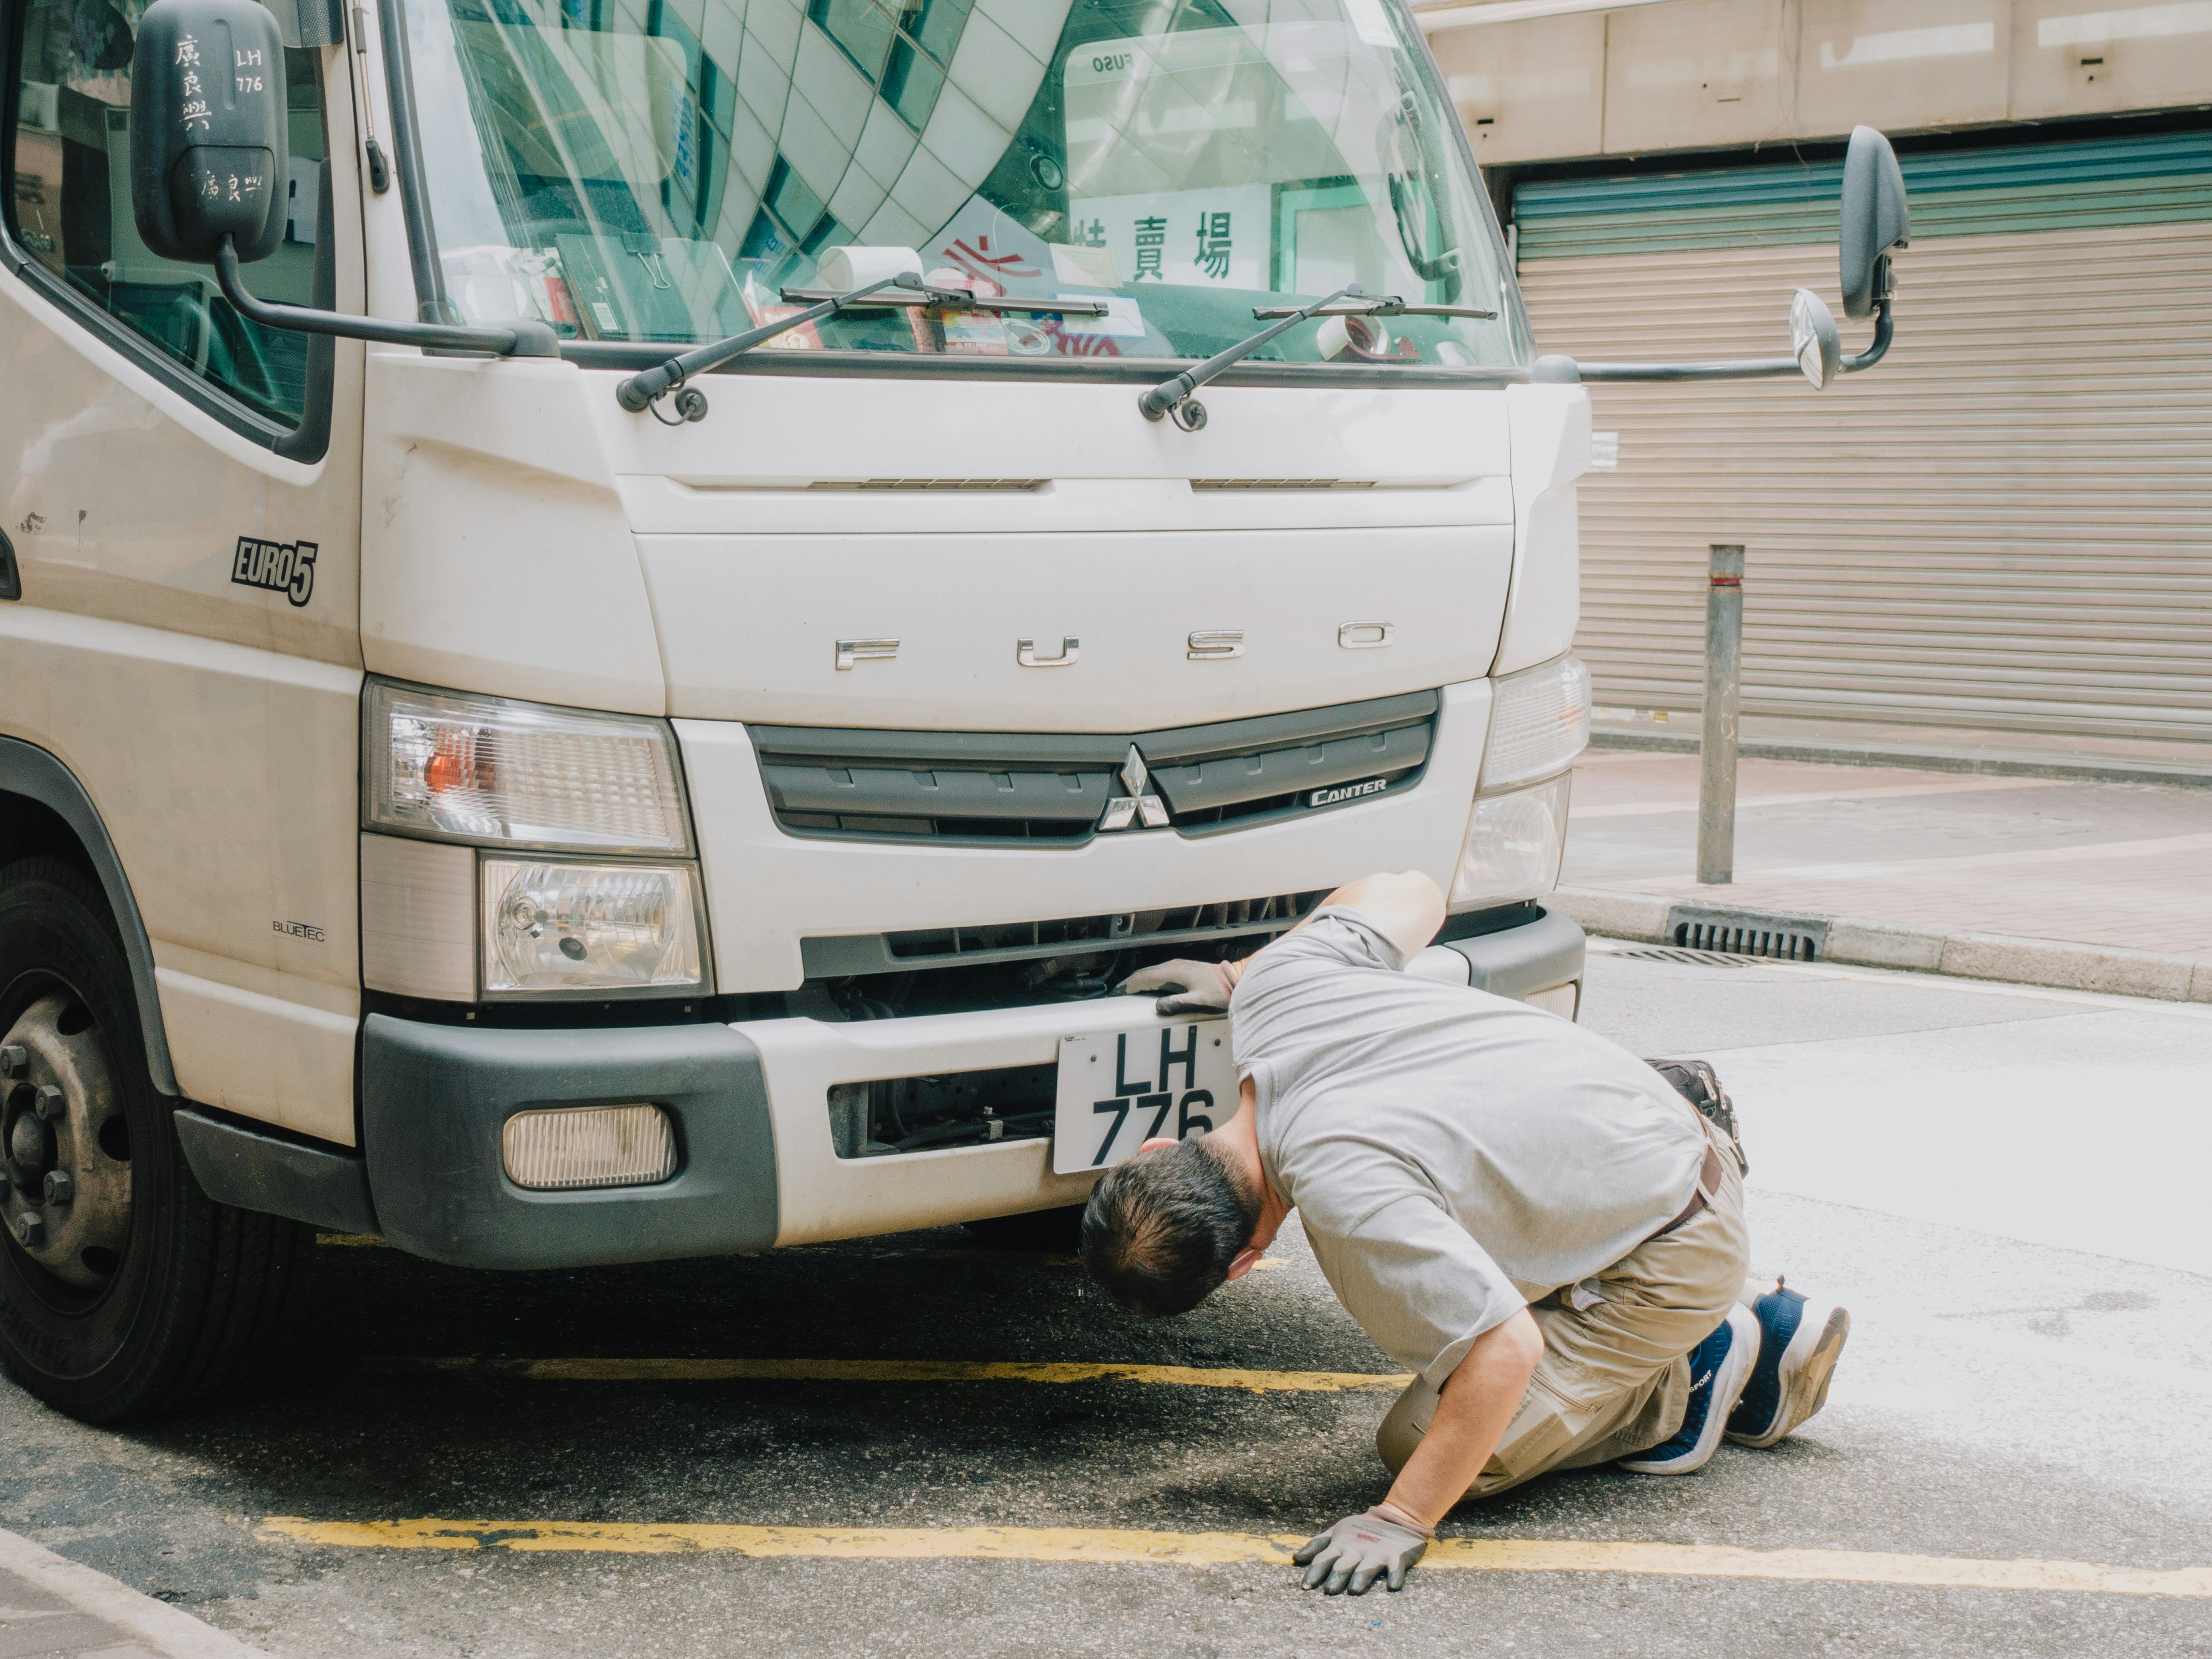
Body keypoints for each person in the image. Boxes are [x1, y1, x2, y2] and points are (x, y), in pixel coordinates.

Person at [1083, 870, 1850, 1596]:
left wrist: (1402, 1516)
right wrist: (1235, 972)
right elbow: (1411, 889)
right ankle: (1682, 1309)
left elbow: (1504, 1349)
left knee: (1422, 1442)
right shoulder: (1279, 988)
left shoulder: (1348, 1198)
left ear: (1244, 1262)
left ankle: (1708, 1359)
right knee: (1457, 1266)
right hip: (1664, 1116)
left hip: (1677, 1241)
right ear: (1158, 1149)